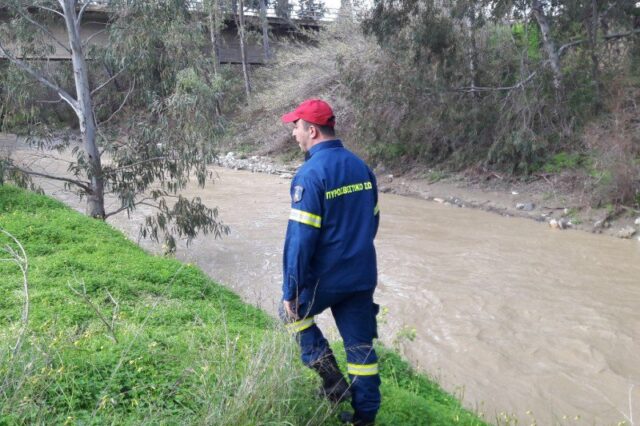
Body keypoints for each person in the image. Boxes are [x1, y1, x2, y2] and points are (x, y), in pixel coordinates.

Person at [280, 99, 381, 425]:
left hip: (325, 280)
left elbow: (300, 240)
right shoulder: (361, 167)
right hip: (361, 275)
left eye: (295, 127)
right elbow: (373, 221)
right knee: (361, 351)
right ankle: (364, 417)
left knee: (290, 314)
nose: (294, 133)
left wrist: (291, 289)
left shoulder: (310, 175)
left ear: (312, 130)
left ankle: (333, 383)